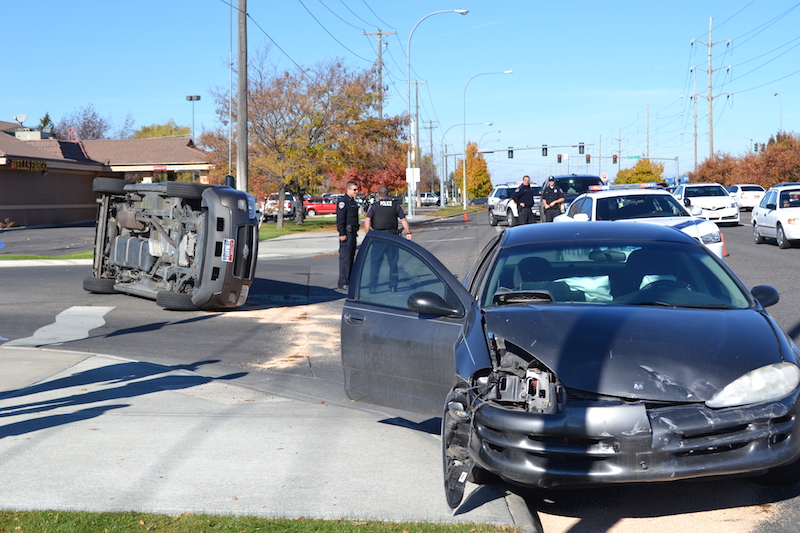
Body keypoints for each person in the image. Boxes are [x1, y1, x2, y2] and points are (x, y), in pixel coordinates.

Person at [363, 186, 412, 292]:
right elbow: (403, 220)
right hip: (392, 237)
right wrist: (408, 232)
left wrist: (368, 234)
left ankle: (372, 286)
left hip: (378, 237)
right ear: (388, 194)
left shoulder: (374, 206)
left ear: (378, 194)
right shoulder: (395, 206)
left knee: (375, 263)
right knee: (393, 262)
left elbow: (367, 220)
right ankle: (393, 286)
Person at [336, 181, 360, 292]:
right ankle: (342, 282)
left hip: (353, 233)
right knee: (345, 258)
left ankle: (349, 281)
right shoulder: (343, 201)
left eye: (357, 189)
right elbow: (340, 219)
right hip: (346, 233)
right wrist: (341, 233)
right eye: (354, 189)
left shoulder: (352, 201)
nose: (356, 191)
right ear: (348, 189)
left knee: (351, 258)